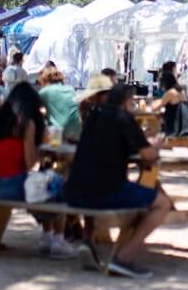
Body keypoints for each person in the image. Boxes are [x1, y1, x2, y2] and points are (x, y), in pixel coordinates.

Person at [65, 83, 175, 279]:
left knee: (105, 184)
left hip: (74, 191)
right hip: (106, 191)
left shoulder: (94, 115)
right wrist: (157, 145)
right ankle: (124, 258)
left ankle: (88, 241)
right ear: (126, 102)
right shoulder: (124, 119)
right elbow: (148, 155)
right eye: (133, 100)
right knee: (163, 203)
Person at [0, 82, 74, 259]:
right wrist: (39, 151)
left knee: (45, 183)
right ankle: (57, 240)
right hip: (14, 185)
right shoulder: (26, 124)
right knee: (58, 185)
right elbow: (29, 163)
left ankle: (47, 237)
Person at [148, 71, 188, 136]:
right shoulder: (181, 91)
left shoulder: (170, 93)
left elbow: (156, 108)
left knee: (153, 124)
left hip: (178, 129)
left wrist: (150, 105)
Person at [37, 66, 82, 141]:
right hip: (76, 131)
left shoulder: (44, 92)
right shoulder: (71, 89)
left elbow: (38, 112)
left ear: (44, 79)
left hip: (57, 134)